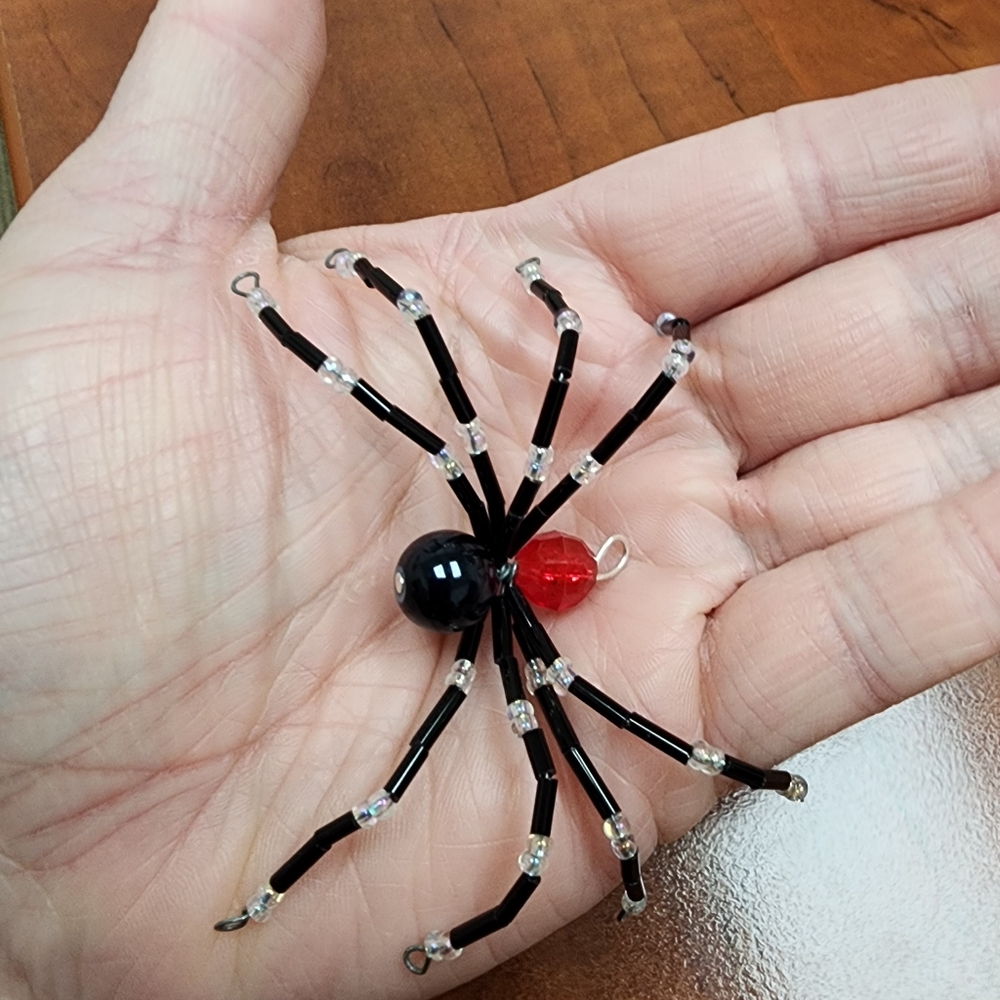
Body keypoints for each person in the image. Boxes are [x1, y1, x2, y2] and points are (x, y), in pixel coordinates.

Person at [1, 0, 998, 996]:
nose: (559, 570)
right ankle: (296, 895)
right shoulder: (514, 543)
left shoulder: (517, 571)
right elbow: (445, 409)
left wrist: (543, 318)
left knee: (501, 723)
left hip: (460, 569)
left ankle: (300, 896)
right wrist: (504, 314)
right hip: (448, 569)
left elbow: (529, 793)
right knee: (454, 465)